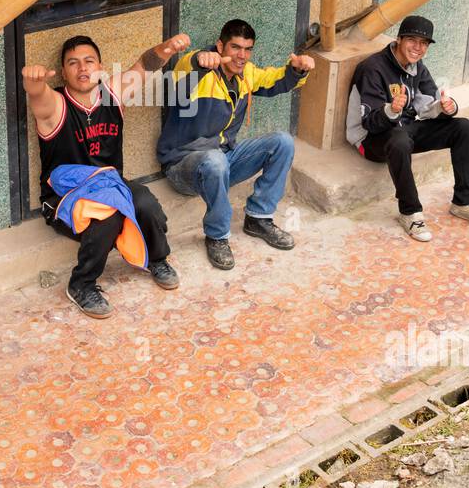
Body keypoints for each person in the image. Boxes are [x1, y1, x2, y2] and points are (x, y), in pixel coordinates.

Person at [26, 33, 185, 318]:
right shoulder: (56, 105)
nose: (82, 68)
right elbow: (38, 96)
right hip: (65, 197)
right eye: (73, 63)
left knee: (146, 205)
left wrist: (167, 48)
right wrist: (34, 82)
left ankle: (157, 259)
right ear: (63, 73)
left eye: (89, 61)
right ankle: (81, 284)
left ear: (100, 67)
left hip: (110, 184)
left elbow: (144, 66)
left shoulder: (112, 94)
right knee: (108, 215)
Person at [157, 19, 313, 270]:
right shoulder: (197, 73)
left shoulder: (246, 73)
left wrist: (297, 70)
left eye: (248, 49)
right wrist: (201, 61)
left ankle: (258, 217)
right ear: (220, 46)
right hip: (183, 165)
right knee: (215, 160)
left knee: (282, 142)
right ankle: (217, 236)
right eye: (235, 47)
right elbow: (186, 67)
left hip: (223, 159)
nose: (242, 56)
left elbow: (276, 80)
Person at [346, 15, 469, 242]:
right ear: (399, 39)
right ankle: (410, 213)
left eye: (424, 43)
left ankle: (463, 202)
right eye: (413, 40)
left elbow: (428, 106)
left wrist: (446, 107)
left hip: (404, 132)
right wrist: (391, 109)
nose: (418, 48)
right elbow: (370, 123)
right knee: (398, 138)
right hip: (371, 140)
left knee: (462, 127)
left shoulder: (417, 67)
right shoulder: (372, 69)